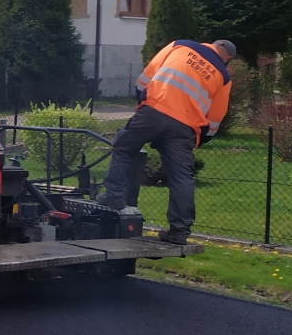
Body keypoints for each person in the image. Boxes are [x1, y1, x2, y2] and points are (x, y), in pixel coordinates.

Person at [100, 38, 235, 244]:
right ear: (227, 59)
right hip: (184, 127)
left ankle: (115, 198)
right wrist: (200, 139)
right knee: (182, 177)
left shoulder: (180, 45)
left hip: (154, 111)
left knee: (124, 148)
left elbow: (144, 80)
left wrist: (144, 103)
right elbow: (215, 117)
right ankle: (179, 231)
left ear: (210, 44)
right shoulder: (223, 76)